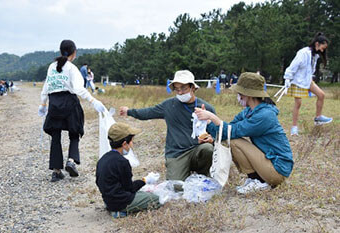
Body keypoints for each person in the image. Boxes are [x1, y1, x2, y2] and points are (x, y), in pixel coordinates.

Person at [195, 72, 293, 194]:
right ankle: (256, 180)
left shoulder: (264, 116)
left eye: (240, 93)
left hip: (277, 170)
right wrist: (209, 124)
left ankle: (258, 181)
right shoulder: (249, 111)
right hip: (268, 162)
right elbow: (227, 129)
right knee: (230, 138)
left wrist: (212, 118)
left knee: (234, 140)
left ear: (248, 94)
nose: (238, 96)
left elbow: (230, 132)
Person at [120, 70, 216, 181]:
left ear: (193, 88)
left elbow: (216, 132)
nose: (180, 92)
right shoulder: (169, 105)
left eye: (184, 88)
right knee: (175, 187)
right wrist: (129, 111)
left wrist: (211, 138)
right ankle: (181, 171)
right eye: (177, 89)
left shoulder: (206, 108)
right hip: (177, 153)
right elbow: (148, 112)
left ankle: (203, 173)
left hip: (197, 150)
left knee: (208, 149)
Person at [38, 39, 106, 182]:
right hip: (69, 102)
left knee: (55, 135)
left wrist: (43, 104)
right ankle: (71, 160)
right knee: (75, 131)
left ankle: (56, 171)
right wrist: (93, 100)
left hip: (54, 103)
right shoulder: (71, 68)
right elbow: (78, 88)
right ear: (74, 52)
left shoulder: (51, 67)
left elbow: (47, 86)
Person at [96, 122, 161, 218]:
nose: (132, 144)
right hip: (121, 202)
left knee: (142, 194)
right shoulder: (122, 162)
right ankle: (120, 211)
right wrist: (144, 180)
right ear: (124, 143)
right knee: (157, 199)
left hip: (108, 200)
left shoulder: (103, 159)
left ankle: (113, 207)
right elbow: (129, 189)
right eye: (131, 141)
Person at [283, 32, 332, 136]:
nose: (322, 51)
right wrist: (287, 78)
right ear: (317, 44)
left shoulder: (314, 56)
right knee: (298, 103)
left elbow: (310, 70)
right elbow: (293, 65)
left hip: (307, 80)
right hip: (297, 81)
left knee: (321, 95)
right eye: (322, 48)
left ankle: (318, 118)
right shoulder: (303, 53)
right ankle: (294, 128)